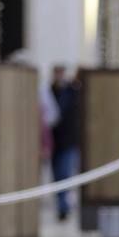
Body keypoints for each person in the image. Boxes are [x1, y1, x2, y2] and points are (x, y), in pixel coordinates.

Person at [49, 65, 82, 221]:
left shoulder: (72, 92)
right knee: (57, 176)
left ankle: (64, 206)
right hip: (54, 143)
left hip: (69, 141)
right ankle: (62, 205)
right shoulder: (49, 91)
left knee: (65, 174)